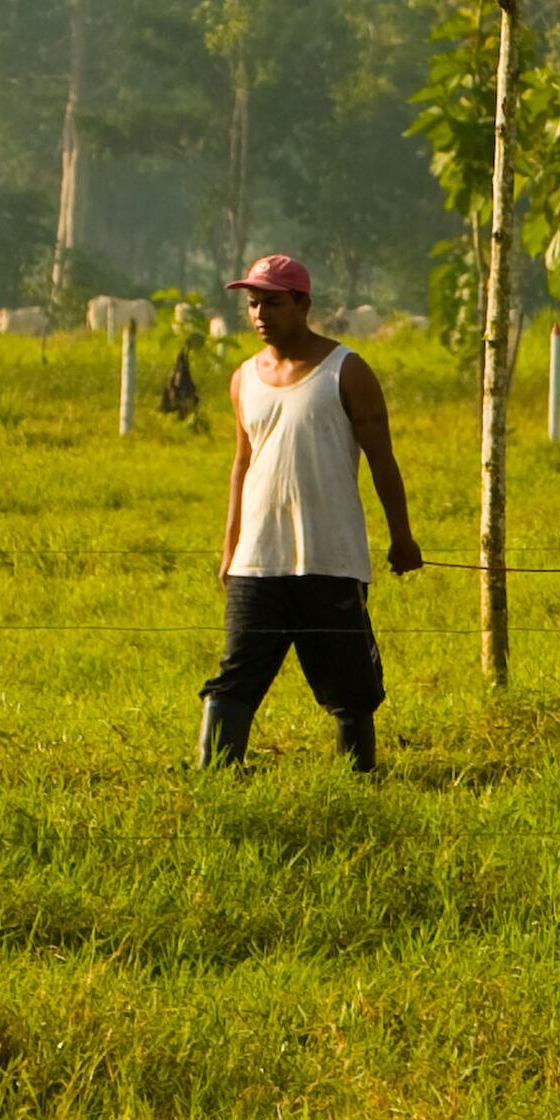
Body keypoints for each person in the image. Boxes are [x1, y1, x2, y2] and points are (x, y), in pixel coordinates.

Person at [198, 253, 418, 773]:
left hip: (330, 558)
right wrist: (230, 551)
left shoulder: (347, 371)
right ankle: (215, 774)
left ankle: (356, 780)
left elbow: (383, 461)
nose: (259, 315)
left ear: (302, 304)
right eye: (253, 305)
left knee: (350, 687)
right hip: (258, 561)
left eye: (272, 303)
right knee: (237, 674)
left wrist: (402, 539)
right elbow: (241, 465)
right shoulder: (244, 379)